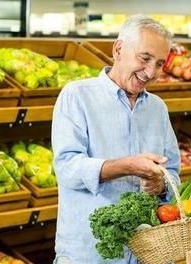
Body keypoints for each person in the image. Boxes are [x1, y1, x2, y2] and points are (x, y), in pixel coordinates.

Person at [51, 15, 180, 263]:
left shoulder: (157, 108)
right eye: (144, 59)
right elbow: (67, 168)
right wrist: (126, 166)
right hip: (89, 253)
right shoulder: (77, 96)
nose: (151, 72)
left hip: (143, 252)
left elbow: (172, 171)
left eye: (160, 63)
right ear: (118, 49)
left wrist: (160, 184)